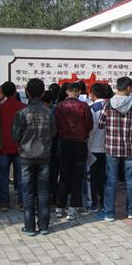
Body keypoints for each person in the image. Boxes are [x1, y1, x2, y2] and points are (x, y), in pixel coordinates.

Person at [12, 78, 56, 236]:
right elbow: (53, 132)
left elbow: (15, 136)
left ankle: (29, 227)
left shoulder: (21, 113)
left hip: (26, 156)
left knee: (28, 192)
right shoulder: (48, 112)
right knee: (43, 192)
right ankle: (44, 226)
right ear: (43, 93)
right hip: (44, 155)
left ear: (27, 93)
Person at [98, 77, 132, 221]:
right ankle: (131, 211)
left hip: (111, 147)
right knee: (130, 180)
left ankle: (109, 213)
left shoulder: (108, 104)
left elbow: (100, 124)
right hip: (128, 147)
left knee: (111, 181)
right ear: (128, 88)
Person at [55, 82, 93, 220]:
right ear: (78, 92)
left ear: (67, 92)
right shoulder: (83, 106)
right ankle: (73, 208)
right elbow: (89, 124)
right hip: (80, 143)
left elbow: (56, 124)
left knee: (63, 175)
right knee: (77, 176)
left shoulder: (60, 106)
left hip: (64, 142)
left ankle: (59, 207)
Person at [0, 81, 26, 211]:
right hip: (20, 145)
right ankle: (22, 202)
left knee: (3, 175)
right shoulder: (23, 107)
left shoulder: (0, 108)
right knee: (21, 174)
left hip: (4, 145)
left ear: (3, 93)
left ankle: (4, 202)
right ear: (15, 91)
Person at [88, 83, 108, 212]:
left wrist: (87, 144)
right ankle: (105, 202)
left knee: (93, 177)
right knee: (104, 177)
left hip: (93, 147)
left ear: (93, 94)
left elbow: (91, 128)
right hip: (107, 147)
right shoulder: (110, 106)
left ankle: (93, 203)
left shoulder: (92, 108)